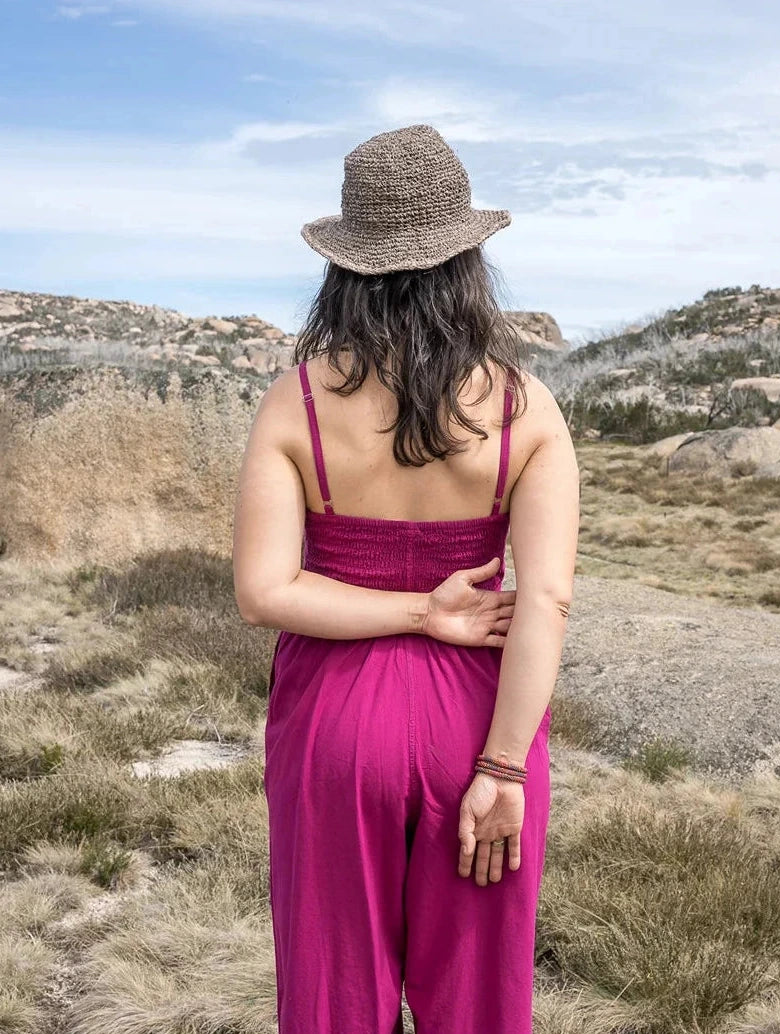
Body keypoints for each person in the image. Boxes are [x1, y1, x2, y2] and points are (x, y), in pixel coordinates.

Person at [232, 123, 579, 1034]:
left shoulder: (297, 398)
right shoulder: (523, 407)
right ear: (467, 260)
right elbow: (543, 599)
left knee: (334, 986)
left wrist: (420, 612)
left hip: (333, 722)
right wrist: (502, 765)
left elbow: (264, 592)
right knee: (476, 993)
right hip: (480, 718)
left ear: (346, 266)